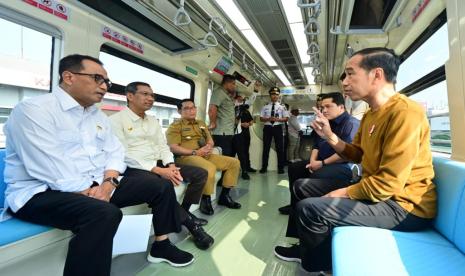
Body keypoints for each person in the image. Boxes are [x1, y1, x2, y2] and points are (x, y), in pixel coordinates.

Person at [3, 55, 195, 276]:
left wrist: (108, 183)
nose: (104, 86)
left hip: (97, 184)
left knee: (159, 186)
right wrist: (94, 191)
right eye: (97, 79)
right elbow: (50, 167)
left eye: (106, 82)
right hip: (40, 192)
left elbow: (115, 152)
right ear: (68, 77)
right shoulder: (34, 110)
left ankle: (161, 246)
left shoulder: (96, 115)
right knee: (104, 213)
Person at [274, 47, 437, 274]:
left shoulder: (405, 113)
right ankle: (304, 248)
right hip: (382, 195)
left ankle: (319, 268)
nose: (345, 82)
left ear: (376, 75)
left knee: (310, 210)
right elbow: (356, 154)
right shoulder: (371, 113)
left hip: (405, 207)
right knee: (302, 187)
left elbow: (388, 185)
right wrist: (330, 136)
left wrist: (342, 193)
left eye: (351, 74)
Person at [110, 81, 214, 250]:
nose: (150, 98)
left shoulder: (152, 120)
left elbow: (163, 146)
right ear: (130, 96)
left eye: (152, 95)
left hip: (159, 162)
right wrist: (158, 170)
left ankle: (184, 211)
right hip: (137, 168)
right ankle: (192, 225)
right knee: (163, 185)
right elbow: (123, 154)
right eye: (145, 94)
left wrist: (171, 164)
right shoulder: (116, 120)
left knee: (200, 174)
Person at [278, 93, 359, 216]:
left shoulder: (351, 124)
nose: (324, 110)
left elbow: (346, 153)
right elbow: (317, 145)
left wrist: (321, 164)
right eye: (322, 107)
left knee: (317, 173)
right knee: (294, 168)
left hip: (342, 165)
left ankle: (311, 209)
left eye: (328, 106)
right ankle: (294, 205)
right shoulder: (327, 123)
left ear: (341, 107)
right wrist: (312, 161)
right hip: (322, 161)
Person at [166, 99, 241, 216]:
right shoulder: (175, 126)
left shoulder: (201, 123)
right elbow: (173, 148)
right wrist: (196, 152)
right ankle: (206, 200)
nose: (192, 110)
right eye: (187, 108)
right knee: (209, 168)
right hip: (187, 157)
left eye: (193, 107)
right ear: (179, 111)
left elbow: (209, 139)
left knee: (234, 162)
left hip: (205, 154)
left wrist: (209, 147)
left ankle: (224, 196)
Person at [259, 87, 289, 174]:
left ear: (279, 95)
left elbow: (286, 119)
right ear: (270, 95)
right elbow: (261, 118)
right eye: (272, 94)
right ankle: (264, 167)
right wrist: (268, 118)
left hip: (277, 127)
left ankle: (280, 168)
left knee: (280, 148)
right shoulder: (265, 106)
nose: (274, 96)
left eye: (276, 94)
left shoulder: (282, 107)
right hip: (267, 128)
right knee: (266, 148)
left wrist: (277, 119)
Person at [208, 74, 237, 157]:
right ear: (227, 83)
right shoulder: (219, 92)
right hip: (221, 133)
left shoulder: (226, 95)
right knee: (224, 156)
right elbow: (212, 108)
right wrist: (212, 123)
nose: (234, 86)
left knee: (228, 156)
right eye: (233, 84)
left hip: (227, 132)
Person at [232, 94, 255, 180]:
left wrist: (248, 124)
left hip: (245, 133)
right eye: (239, 99)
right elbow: (232, 121)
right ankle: (233, 170)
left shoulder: (245, 110)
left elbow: (251, 120)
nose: (241, 100)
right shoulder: (233, 109)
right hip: (234, 133)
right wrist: (241, 124)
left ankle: (246, 169)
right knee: (234, 153)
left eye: (242, 99)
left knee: (245, 152)